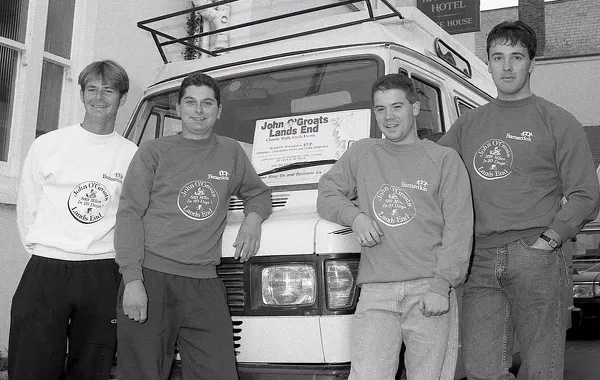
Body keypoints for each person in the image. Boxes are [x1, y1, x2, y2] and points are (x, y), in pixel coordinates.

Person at [438, 20, 600, 380]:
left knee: (541, 368)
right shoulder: (468, 125)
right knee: (481, 369)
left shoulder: (558, 121)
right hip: (478, 260)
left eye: (516, 57)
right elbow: (429, 171)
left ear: (531, 63)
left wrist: (552, 237)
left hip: (536, 255)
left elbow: (586, 193)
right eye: (498, 57)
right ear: (489, 63)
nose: (507, 66)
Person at [114, 72, 272, 380]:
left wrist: (253, 220)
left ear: (219, 110)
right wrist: (133, 280)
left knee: (219, 372)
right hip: (151, 277)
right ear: (178, 107)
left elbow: (259, 193)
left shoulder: (230, 152)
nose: (198, 111)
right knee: (141, 374)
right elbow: (129, 214)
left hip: (204, 283)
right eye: (191, 102)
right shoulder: (152, 152)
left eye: (207, 103)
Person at [317, 73, 473, 380]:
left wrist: (442, 286)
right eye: (380, 109)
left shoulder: (444, 159)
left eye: (397, 106)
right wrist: (355, 216)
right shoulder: (363, 153)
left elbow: (458, 229)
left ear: (414, 108)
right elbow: (326, 194)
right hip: (376, 293)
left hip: (428, 289)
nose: (389, 117)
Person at [10, 60, 137, 380]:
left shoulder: (132, 154)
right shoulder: (49, 145)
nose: (99, 97)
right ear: (81, 95)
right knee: (32, 364)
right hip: (47, 268)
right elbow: (28, 207)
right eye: (91, 89)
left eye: (108, 90)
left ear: (122, 98)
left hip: (103, 270)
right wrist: (50, 250)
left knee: (91, 366)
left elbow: (132, 216)